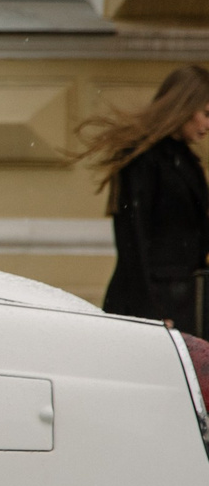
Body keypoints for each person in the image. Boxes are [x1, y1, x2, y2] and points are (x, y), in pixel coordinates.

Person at [83, 65, 209, 329]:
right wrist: (150, 312)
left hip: (182, 301)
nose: (208, 125)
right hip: (153, 305)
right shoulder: (144, 159)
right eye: (206, 114)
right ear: (184, 106)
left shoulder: (185, 160)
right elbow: (133, 239)